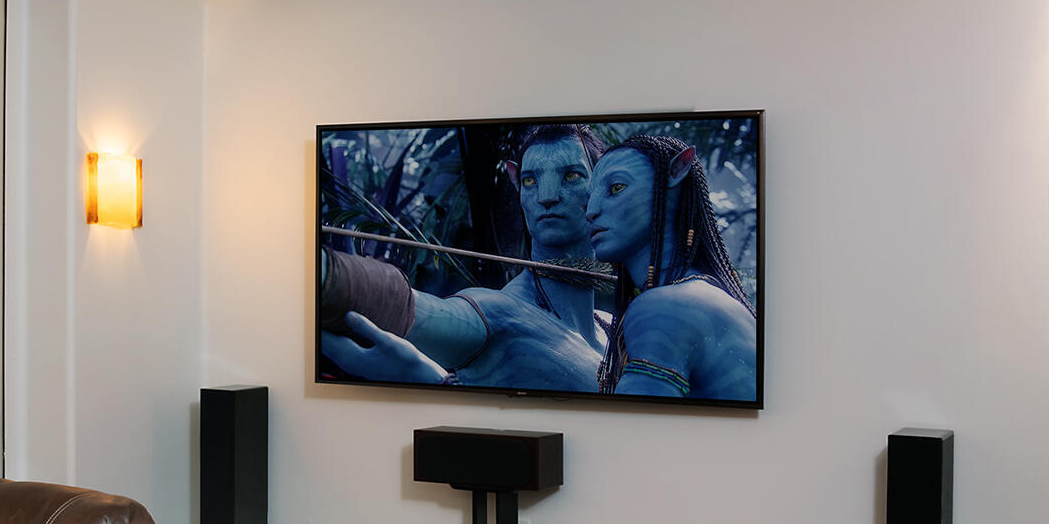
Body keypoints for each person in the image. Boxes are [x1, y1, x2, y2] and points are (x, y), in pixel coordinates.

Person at [320, 125, 608, 391]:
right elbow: (417, 308)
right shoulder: (497, 312)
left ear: (604, 183)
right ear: (515, 181)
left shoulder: (613, 326)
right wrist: (320, 275)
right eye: (530, 180)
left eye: (571, 176)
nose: (546, 196)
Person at [584, 134, 756, 400]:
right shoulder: (708, 294)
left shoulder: (664, 308)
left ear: (676, 171)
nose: (591, 210)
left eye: (616, 188)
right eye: (589, 196)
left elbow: (636, 431)